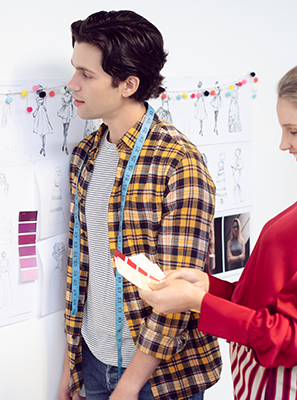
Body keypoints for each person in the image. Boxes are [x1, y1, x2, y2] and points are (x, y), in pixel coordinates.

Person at [140, 58, 297, 400]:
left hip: (292, 387)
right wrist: (209, 288)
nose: (284, 144)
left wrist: (199, 303)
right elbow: (275, 302)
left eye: (294, 130)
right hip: (268, 381)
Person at [58, 10, 222, 400]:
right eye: (74, 70)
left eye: (87, 74)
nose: (72, 84)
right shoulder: (85, 155)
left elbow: (178, 294)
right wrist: (72, 369)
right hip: (94, 363)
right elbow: (81, 266)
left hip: (157, 377)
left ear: (128, 84)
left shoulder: (179, 162)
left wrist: (129, 387)